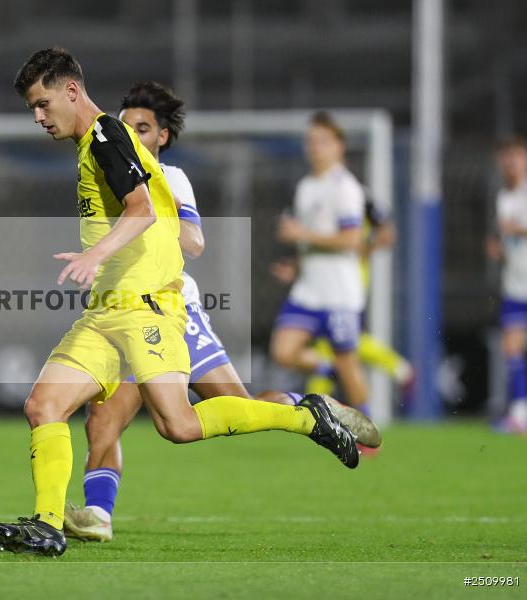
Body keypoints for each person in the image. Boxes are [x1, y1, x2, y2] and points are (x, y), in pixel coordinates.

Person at [0, 49, 359, 558]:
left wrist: (96, 253)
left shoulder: (106, 137)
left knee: (177, 425)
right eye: (33, 108)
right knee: (43, 405)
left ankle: (307, 417)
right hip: (105, 313)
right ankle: (48, 525)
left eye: (43, 104)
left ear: (71, 91)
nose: (38, 117)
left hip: (147, 311)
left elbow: (139, 210)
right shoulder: (94, 143)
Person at [63, 81, 380, 543]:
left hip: (173, 311)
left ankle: (310, 408)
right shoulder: (109, 167)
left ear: (163, 137)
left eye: (144, 127)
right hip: (123, 312)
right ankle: (98, 516)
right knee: (103, 419)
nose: (131, 133)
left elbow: (193, 241)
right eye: (126, 125)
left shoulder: (167, 179)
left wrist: (147, 220)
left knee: (233, 410)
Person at [270, 111, 369, 413]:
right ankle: (328, 370)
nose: (315, 147)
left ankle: (369, 428)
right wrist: (297, 265)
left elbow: (353, 240)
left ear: (339, 146)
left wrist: (302, 233)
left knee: (347, 360)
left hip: (340, 293)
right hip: (309, 290)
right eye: (310, 141)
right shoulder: (306, 186)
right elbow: (312, 240)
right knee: (282, 352)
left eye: (322, 141)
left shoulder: (345, 187)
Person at [485, 136, 527, 434]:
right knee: (511, 349)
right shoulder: (504, 196)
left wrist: (514, 230)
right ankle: (520, 415)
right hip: (516, 286)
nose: (511, 162)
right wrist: (499, 246)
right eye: (506, 157)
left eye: (516, 156)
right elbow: (510, 238)